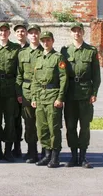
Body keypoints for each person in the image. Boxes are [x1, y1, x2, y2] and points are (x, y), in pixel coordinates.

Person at [61, 22, 101, 168]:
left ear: (83, 33)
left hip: (85, 93)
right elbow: (62, 75)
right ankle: (73, 156)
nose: (76, 33)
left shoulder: (91, 51)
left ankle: (83, 157)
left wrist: (94, 93)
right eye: (74, 31)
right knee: (70, 126)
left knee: (84, 126)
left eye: (79, 31)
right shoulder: (65, 51)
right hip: (70, 94)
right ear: (70, 33)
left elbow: (96, 75)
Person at [31, 31, 67, 168]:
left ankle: (55, 157)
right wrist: (34, 97)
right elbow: (35, 79)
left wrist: (60, 97)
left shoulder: (58, 57)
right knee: (42, 128)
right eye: (43, 41)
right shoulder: (39, 58)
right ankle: (46, 155)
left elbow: (63, 79)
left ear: (52, 41)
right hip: (40, 96)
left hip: (53, 95)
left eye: (48, 40)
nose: (45, 43)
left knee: (54, 128)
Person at [0, 22, 20, 162]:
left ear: (9, 33)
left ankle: (8, 151)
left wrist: (18, 91)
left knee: (10, 121)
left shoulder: (16, 49)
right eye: (0, 31)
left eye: (5, 31)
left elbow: (19, 72)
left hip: (10, 89)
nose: (3, 33)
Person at [15, 24, 43, 163]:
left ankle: (45, 151)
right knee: (29, 123)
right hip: (26, 92)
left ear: (39, 34)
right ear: (27, 35)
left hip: (42, 92)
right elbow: (19, 75)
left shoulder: (45, 52)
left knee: (43, 123)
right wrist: (19, 93)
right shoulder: (22, 53)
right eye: (31, 33)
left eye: (36, 33)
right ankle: (32, 151)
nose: (33, 35)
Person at [12, 22, 29, 158]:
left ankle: (31, 149)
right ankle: (16, 147)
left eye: (22, 31)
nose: (20, 34)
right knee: (15, 119)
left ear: (26, 33)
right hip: (13, 89)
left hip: (28, 90)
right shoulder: (12, 48)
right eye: (18, 32)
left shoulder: (32, 49)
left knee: (29, 120)